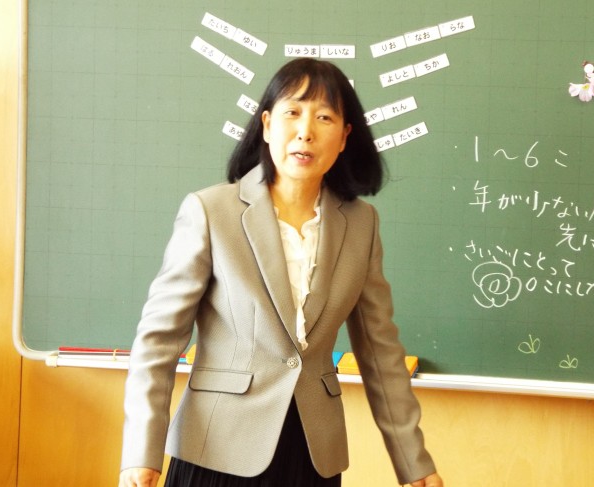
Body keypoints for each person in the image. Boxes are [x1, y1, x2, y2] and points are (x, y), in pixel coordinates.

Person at [119, 57, 443, 487]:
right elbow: (158, 341)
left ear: (344, 137)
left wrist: (413, 462)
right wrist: (141, 452)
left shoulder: (361, 224)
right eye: (293, 112)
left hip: (313, 456)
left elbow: (381, 354)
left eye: (324, 117)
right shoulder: (211, 211)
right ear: (268, 125)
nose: (306, 131)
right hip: (216, 449)